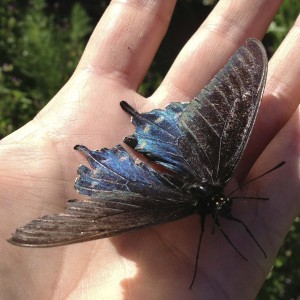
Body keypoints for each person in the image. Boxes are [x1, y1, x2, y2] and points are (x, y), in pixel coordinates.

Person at [1, 1, 299, 299]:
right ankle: (107, 150)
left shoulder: (201, 192)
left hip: (170, 161)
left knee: (123, 211)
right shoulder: (214, 184)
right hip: (182, 154)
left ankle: (106, 152)